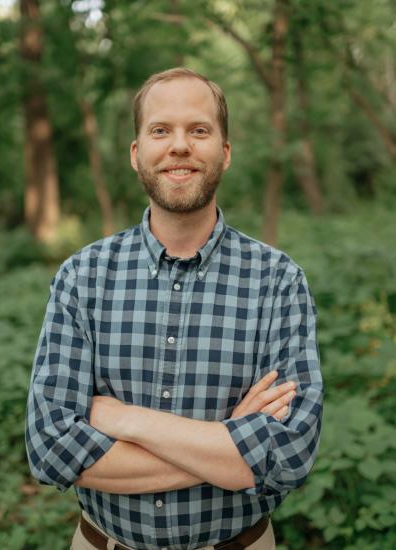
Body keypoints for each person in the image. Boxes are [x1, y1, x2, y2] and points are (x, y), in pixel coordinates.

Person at [25, 67, 323, 550]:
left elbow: (286, 455)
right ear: (136, 153)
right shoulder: (82, 276)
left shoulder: (278, 280)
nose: (179, 146)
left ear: (224, 154)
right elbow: (52, 450)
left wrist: (125, 420)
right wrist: (228, 444)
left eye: (199, 130)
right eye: (160, 130)